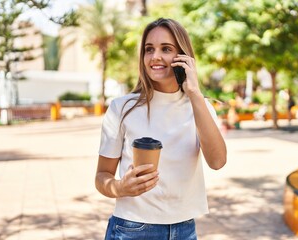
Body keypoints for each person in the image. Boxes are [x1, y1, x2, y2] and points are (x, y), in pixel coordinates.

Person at [96, 17, 227, 240]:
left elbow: (217, 162)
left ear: (184, 57)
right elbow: (102, 176)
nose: (155, 56)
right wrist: (120, 187)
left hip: (185, 230)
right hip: (132, 229)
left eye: (166, 49)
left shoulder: (200, 107)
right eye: (149, 49)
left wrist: (194, 93)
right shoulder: (122, 108)